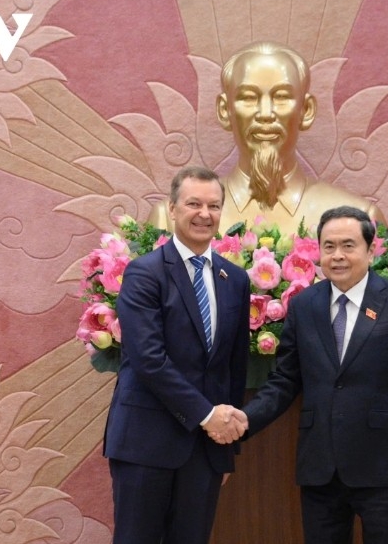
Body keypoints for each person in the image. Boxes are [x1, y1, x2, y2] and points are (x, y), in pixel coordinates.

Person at [236, 205, 388, 544]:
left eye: (348, 245)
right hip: (320, 468)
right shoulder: (304, 305)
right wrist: (243, 421)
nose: (338, 256)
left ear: (370, 251)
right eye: (329, 247)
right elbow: (285, 381)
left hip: (383, 468)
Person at [104, 166, 250, 544]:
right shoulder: (144, 273)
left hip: (204, 451)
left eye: (214, 206)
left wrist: (226, 444)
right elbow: (148, 359)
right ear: (172, 209)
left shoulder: (234, 280)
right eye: (194, 204)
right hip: (145, 442)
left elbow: (234, 366)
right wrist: (207, 416)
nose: (205, 214)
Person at [148, 41, 385, 235]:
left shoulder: (360, 220)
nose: (265, 114)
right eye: (248, 98)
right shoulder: (170, 221)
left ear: (306, 110)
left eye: (281, 97)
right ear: (224, 110)